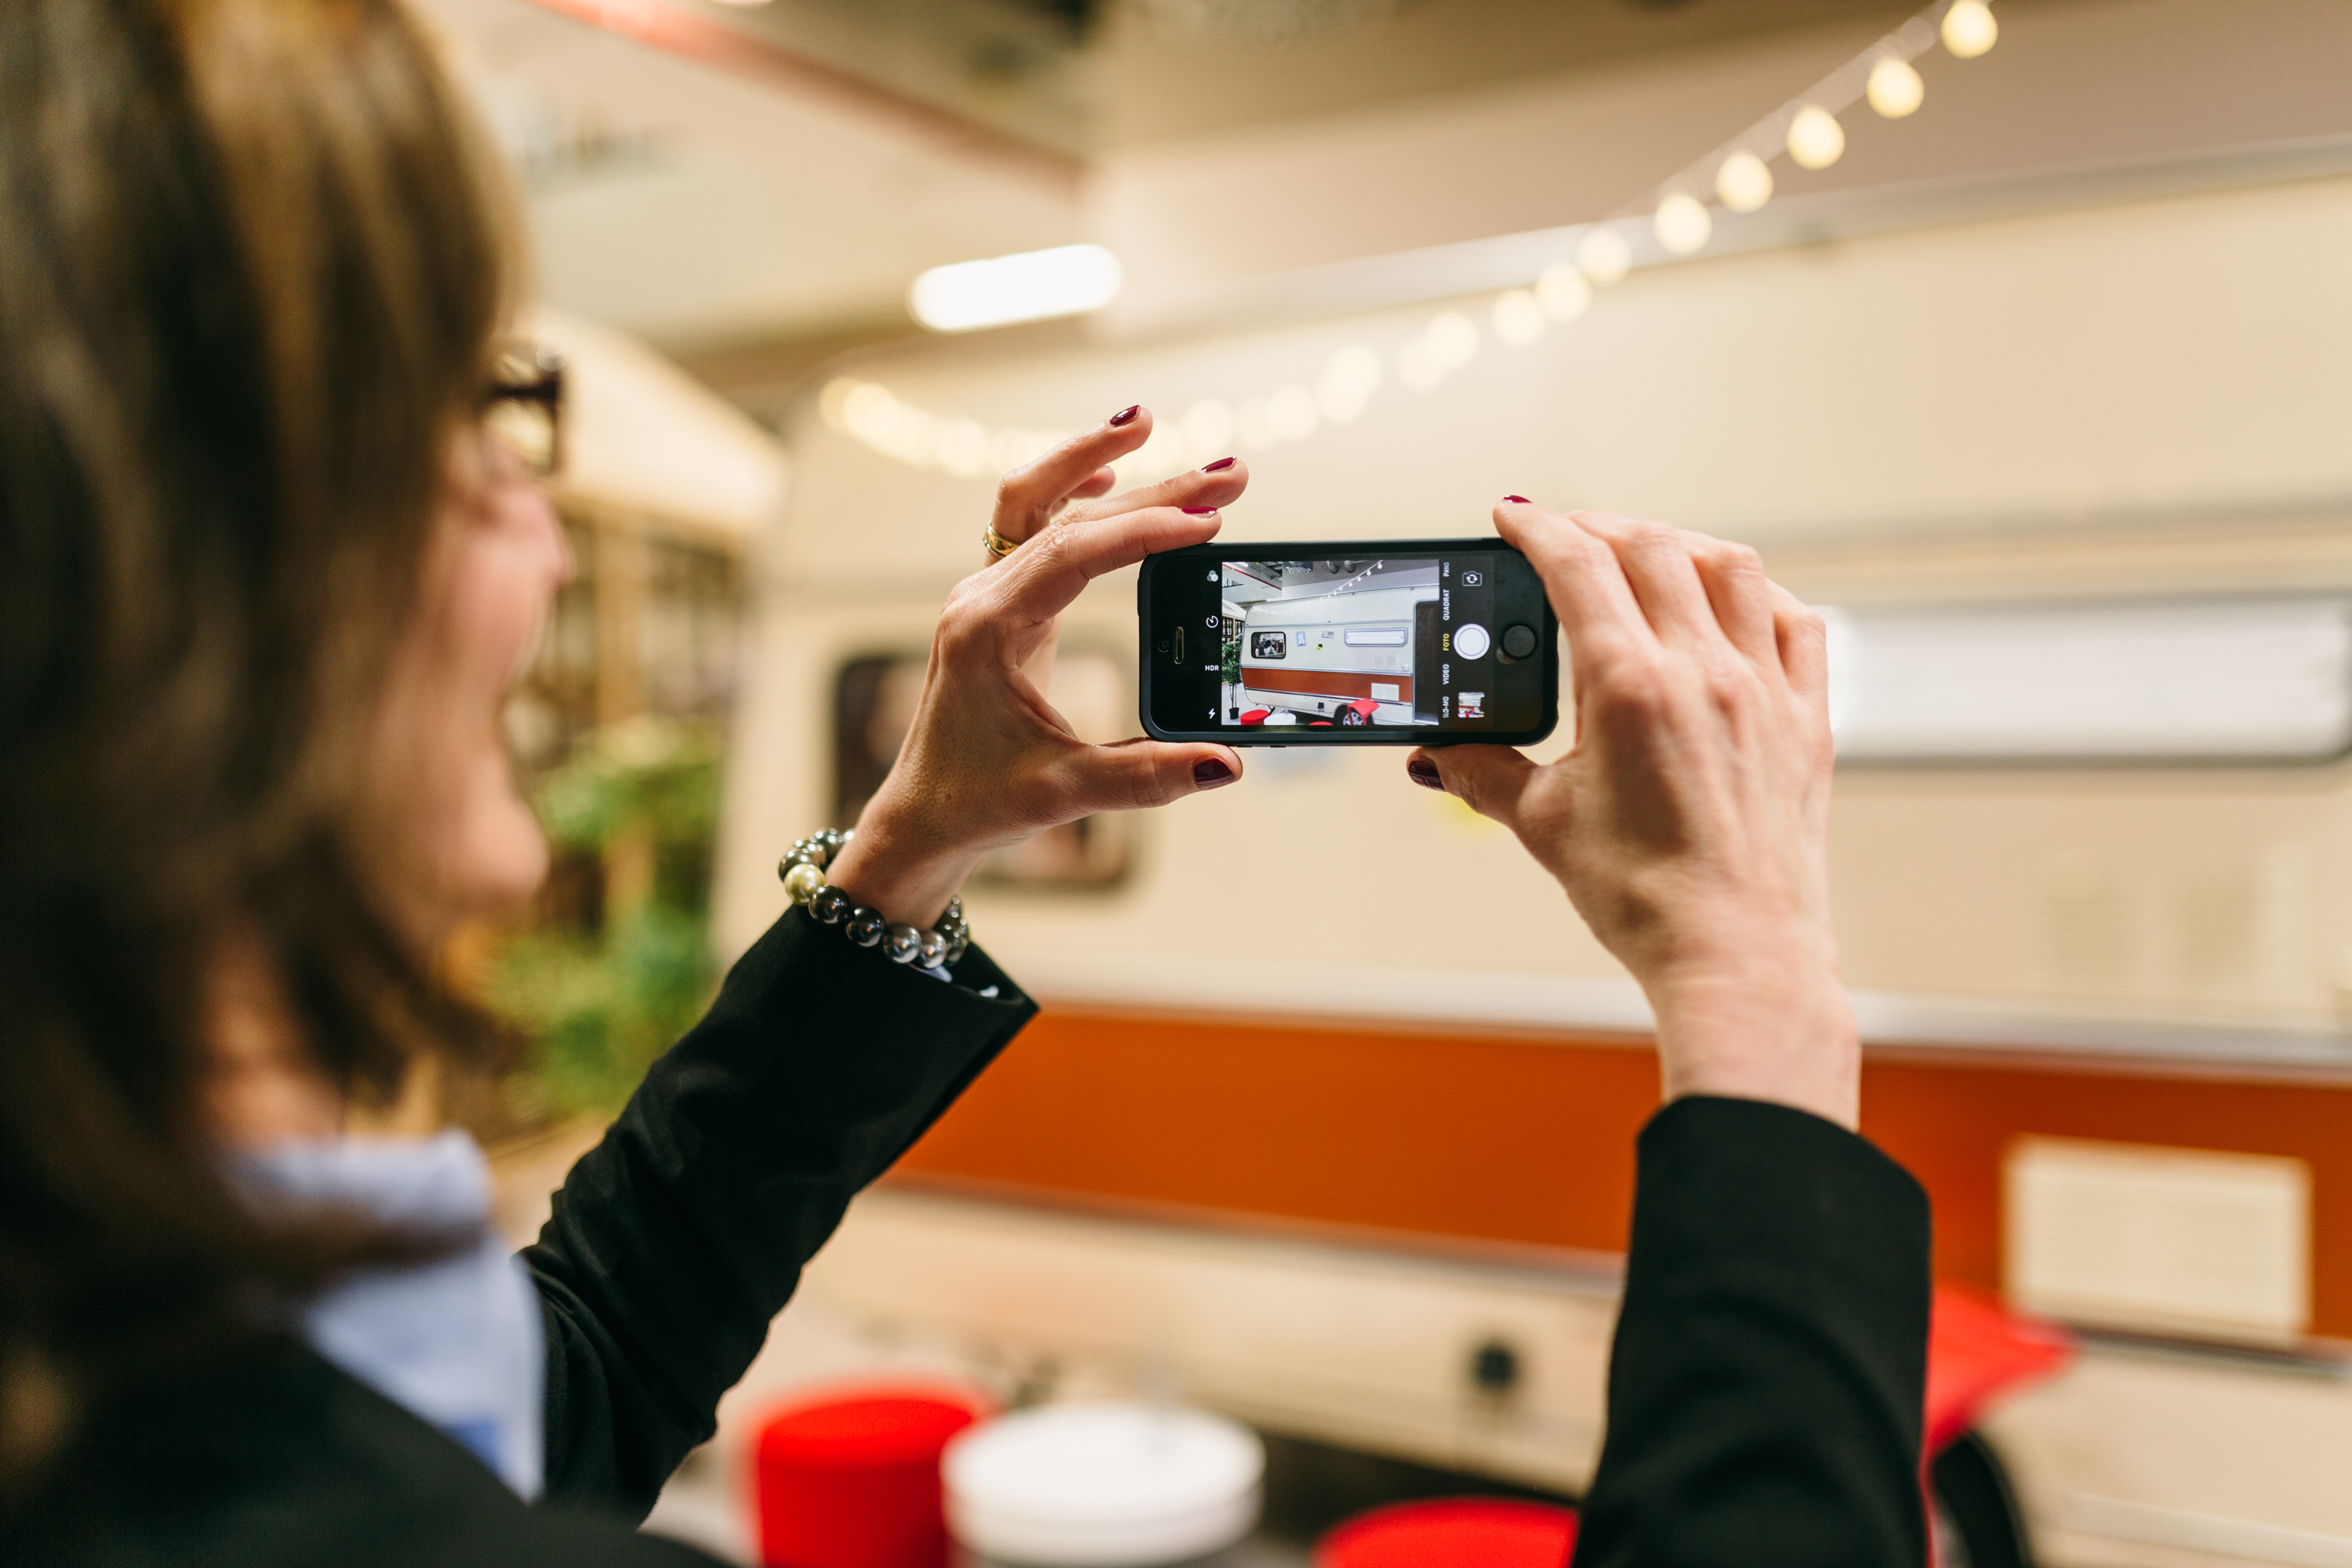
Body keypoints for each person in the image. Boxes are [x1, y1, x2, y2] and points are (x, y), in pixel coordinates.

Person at [0, 3, 1926, 1566]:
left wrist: (908, 850)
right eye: (484, 421)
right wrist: (1756, 994)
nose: (551, 549)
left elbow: (561, 1383)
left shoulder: (140, 1376)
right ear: (201, 568)